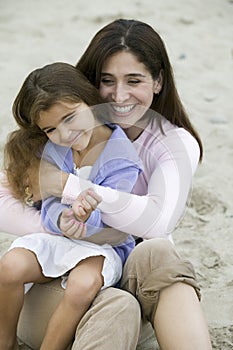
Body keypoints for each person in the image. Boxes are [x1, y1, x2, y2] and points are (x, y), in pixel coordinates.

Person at [0, 19, 213, 350]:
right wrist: (63, 226)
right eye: (106, 81)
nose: (119, 95)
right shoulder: (56, 126)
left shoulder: (171, 142)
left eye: (134, 80)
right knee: (118, 305)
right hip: (57, 290)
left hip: (121, 267)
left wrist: (67, 186)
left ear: (158, 82)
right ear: (89, 86)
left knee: (159, 251)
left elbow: (157, 222)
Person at [0, 61, 142, 350]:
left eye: (70, 118)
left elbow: (117, 217)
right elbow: (49, 200)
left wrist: (85, 218)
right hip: (62, 235)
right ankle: (6, 341)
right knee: (10, 266)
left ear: (90, 102)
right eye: (51, 128)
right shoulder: (55, 150)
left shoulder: (122, 157)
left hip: (104, 245)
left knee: (81, 286)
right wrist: (61, 218)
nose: (65, 134)